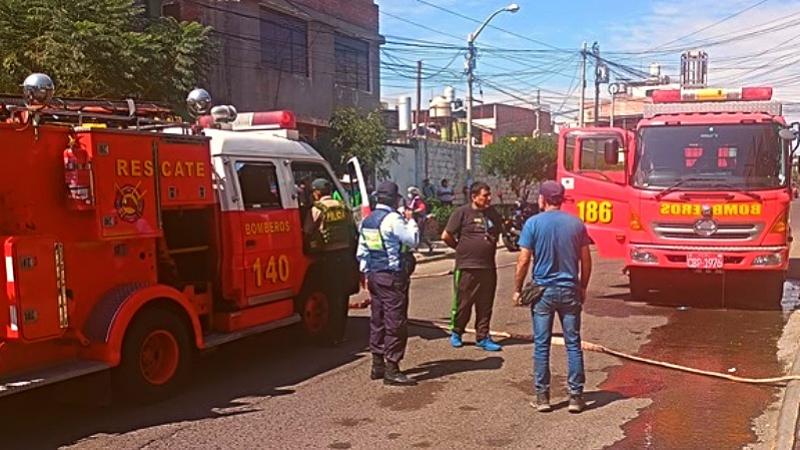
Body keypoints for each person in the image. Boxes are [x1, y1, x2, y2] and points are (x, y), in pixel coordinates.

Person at [513, 180, 593, 414]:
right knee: (573, 344)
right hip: (570, 291)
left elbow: (524, 260)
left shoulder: (533, 224)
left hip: (543, 293)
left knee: (541, 344)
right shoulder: (577, 224)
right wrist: (583, 287)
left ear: (543, 199)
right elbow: (586, 261)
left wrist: (518, 289)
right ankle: (576, 397)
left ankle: (542, 397)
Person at [357, 181, 419, 386]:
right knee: (395, 322)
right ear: (394, 199)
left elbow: (362, 253)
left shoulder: (368, 220)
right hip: (392, 277)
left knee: (378, 320)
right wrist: (411, 220)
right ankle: (392, 368)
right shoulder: (394, 219)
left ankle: (377, 365)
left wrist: (366, 274)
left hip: (375, 275)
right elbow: (413, 240)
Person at [441, 181, 504, 352]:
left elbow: (497, 232)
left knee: (485, 304)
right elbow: (446, 235)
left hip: (487, 267)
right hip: (467, 266)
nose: (488, 198)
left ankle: (483, 337)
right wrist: (459, 248)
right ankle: (456, 332)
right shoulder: (462, 213)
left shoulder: (492, 214)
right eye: (485, 195)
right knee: (463, 303)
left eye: (489, 195)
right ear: (474, 197)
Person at [310, 178, 351, 251]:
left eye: (313, 191)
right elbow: (350, 222)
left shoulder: (316, 209)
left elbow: (307, 230)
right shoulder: (342, 205)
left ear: (318, 192)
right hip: (345, 247)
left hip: (326, 249)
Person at [407, 186, 434, 254]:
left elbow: (422, 208)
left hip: (420, 219)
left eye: (410, 193)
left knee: (419, 233)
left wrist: (414, 211)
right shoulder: (412, 200)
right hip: (415, 218)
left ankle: (429, 245)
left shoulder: (417, 200)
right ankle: (425, 246)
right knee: (418, 234)